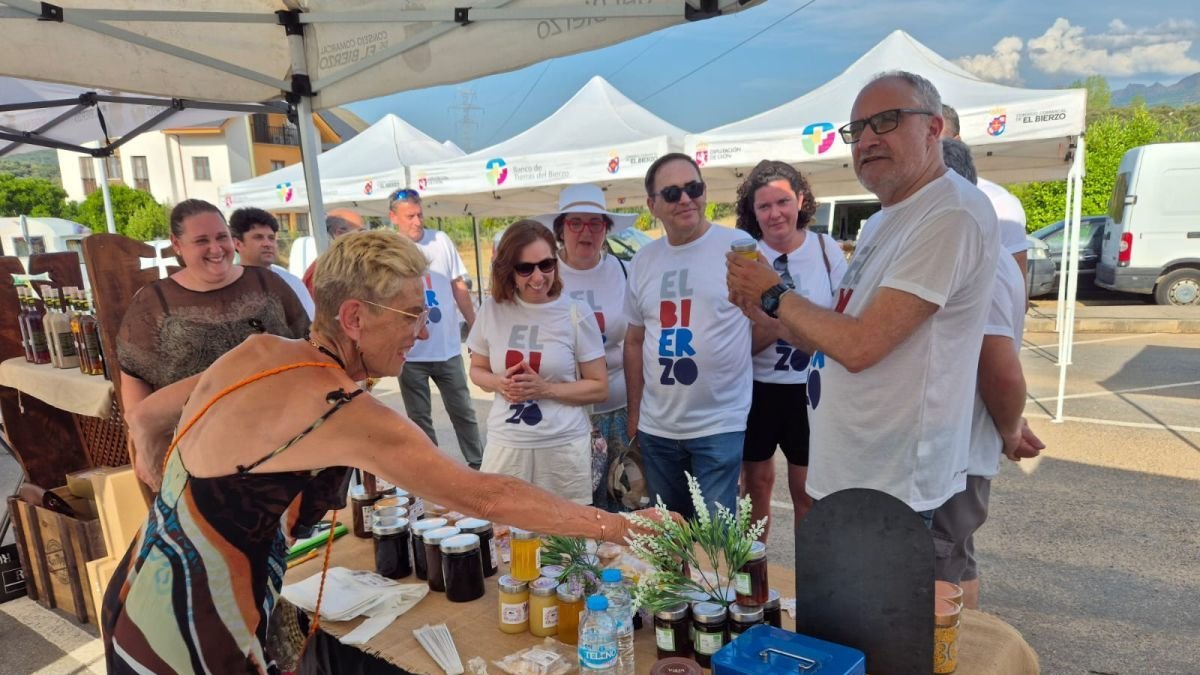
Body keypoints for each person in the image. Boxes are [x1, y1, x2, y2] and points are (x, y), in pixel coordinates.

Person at [104, 230, 666, 673]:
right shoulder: (336, 406)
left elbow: (146, 417)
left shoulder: (260, 350)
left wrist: (163, 492)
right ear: (354, 318)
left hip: (137, 588)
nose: (423, 332)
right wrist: (620, 527)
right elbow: (486, 496)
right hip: (194, 632)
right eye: (412, 314)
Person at [726, 71, 999, 520]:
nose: (867, 139)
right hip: (857, 468)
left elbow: (860, 346)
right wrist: (764, 313)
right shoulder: (883, 219)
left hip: (891, 479)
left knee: (872, 571)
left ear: (933, 128)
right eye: (857, 129)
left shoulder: (951, 212)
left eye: (887, 120)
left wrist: (772, 292)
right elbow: (834, 336)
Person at [117, 199, 310, 484]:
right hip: (198, 458)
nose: (216, 249)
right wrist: (144, 446)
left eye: (221, 237)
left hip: (283, 441)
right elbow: (133, 374)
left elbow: (307, 346)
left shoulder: (269, 284)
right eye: (201, 241)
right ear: (177, 244)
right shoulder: (153, 302)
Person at [934, 138, 1044, 607]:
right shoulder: (984, 250)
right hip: (957, 446)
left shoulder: (980, 258)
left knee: (941, 567)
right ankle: (962, 641)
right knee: (956, 559)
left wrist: (1009, 429)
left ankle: (953, 645)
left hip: (957, 449)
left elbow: (999, 367)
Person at [625, 153, 753, 517]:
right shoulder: (643, 260)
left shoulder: (738, 247)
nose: (685, 199)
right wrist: (635, 415)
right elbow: (634, 341)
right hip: (657, 428)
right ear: (652, 205)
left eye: (693, 188)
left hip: (719, 425)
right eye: (672, 193)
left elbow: (764, 322)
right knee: (669, 533)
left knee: (714, 539)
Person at [733, 161, 847, 535]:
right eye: (764, 206)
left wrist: (772, 319)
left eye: (782, 202)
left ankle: (811, 571)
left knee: (807, 492)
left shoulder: (826, 250)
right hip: (758, 388)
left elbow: (840, 329)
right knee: (755, 488)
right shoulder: (746, 260)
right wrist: (792, 324)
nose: (775, 213)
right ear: (753, 212)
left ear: (800, 200)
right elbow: (739, 344)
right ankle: (753, 569)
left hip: (811, 389)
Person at [467, 220, 608, 503]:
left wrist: (546, 389)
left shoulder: (575, 312)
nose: (538, 277)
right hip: (506, 446)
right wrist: (499, 383)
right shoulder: (492, 310)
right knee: (504, 525)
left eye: (546, 265)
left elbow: (599, 387)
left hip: (562, 449)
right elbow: (477, 369)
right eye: (525, 268)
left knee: (565, 530)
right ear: (508, 269)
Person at [537, 184, 638, 509]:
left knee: (623, 502)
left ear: (606, 229)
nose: (586, 231)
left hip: (619, 410)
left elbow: (637, 341)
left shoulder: (625, 271)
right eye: (576, 223)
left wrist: (637, 410)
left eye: (595, 223)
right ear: (560, 230)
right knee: (574, 505)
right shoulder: (543, 274)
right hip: (566, 412)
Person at [389, 188, 484, 469]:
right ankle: (434, 470)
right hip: (410, 353)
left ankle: (478, 464)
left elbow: (458, 286)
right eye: (410, 216)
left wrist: (476, 327)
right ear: (393, 217)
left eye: (420, 215)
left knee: (463, 411)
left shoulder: (440, 240)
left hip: (446, 349)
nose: (417, 221)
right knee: (419, 419)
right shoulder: (390, 249)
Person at [941, 104, 1029, 282]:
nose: (925, 150)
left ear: (957, 142)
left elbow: (1017, 288)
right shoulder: (899, 202)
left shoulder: (999, 203)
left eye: (936, 140)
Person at [229, 207, 315, 319]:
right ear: (237, 244)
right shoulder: (227, 285)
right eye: (258, 237)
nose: (267, 244)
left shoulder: (291, 283)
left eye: (271, 238)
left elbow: (311, 323)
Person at [302, 207, 366, 294]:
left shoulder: (349, 264)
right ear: (339, 233)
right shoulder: (323, 270)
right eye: (361, 232)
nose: (366, 237)